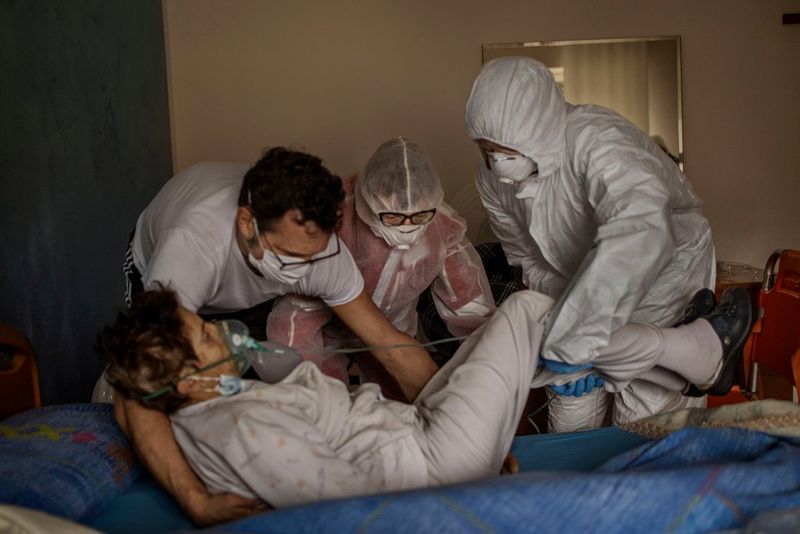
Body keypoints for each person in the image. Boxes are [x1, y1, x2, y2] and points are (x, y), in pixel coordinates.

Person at [98, 284, 751, 515]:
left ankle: (678, 350)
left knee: (521, 342)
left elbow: (141, 395)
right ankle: (694, 353)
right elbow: (341, 501)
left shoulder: (208, 402)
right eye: (206, 333)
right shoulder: (237, 427)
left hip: (415, 429)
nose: (220, 330)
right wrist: (477, 475)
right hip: (433, 463)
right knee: (527, 313)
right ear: (184, 382)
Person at [108, 147, 440, 524]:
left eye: (311, 258)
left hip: (245, 280)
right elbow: (135, 390)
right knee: (172, 389)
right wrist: (196, 501)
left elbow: (392, 347)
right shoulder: (190, 249)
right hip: (175, 271)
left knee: (247, 392)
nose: (302, 272)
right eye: (288, 256)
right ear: (247, 223)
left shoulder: (322, 254)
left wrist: (451, 426)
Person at [465, 56, 717, 432]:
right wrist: (568, 321)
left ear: (537, 129)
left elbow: (641, 229)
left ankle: (643, 482)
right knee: (569, 394)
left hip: (666, 272)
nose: (497, 163)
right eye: (487, 150)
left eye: (507, 151)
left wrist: (584, 329)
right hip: (579, 281)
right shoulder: (492, 179)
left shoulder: (595, 139)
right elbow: (526, 258)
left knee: (644, 410)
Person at [266, 137, 495, 383]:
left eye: (419, 217)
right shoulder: (333, 211)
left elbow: (469, 305)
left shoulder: (443, 227)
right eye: (394, 218)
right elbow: (297, 311)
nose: (407, 228)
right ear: (369, 201)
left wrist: (493, 363)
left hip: (393, 331)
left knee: (400, 405)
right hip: (323, 326)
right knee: (316, 401)